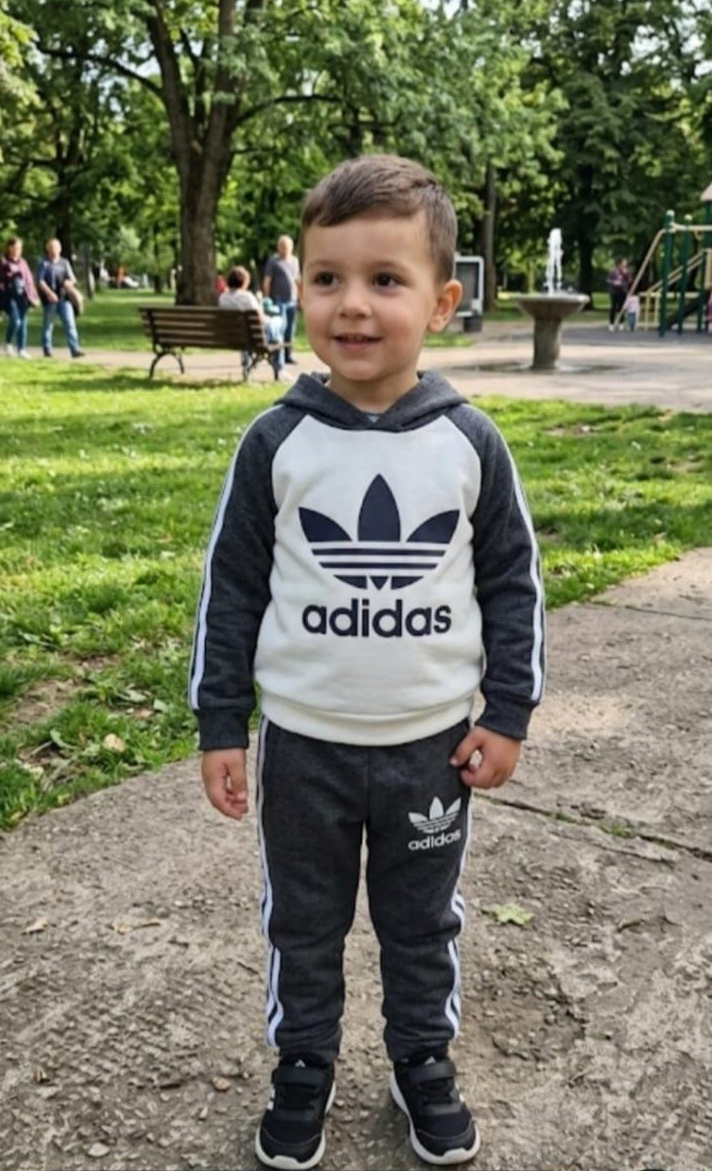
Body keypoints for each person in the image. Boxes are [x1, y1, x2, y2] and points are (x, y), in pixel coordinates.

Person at [190, 154, 545, 1170]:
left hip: (429, 749)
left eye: (384, 279)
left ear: (441, 302)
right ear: (297, 287)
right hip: (302, 749)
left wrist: (507, 712)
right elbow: (232, 590)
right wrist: (221, 723)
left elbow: (512, 585)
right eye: (326, 278)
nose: (351, 304)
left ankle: (420, 1057)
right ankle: (303, 1062)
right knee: (301, 925)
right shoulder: (277, 443)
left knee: (419, 923)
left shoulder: (469, 443)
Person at [218, 265, 286, 375]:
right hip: (256, 336)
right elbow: (260, 318)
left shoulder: (223, 297)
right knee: (279, 322)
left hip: (234, 335)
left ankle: (247, 362)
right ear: (244, 282)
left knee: (266, 329)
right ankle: (278, 366)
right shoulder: (247, 297)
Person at [36, 238, 85, 358]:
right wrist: (49, 293)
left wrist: (69, 282)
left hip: (64, 298)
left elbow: (73, 278)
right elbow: (40, 281)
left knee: (70, 324)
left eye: (56, 248)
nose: (54, 250)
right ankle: (47, 349)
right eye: (52, 248)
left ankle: (75, 349)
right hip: (50, 300)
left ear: (60, 249)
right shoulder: (44, 263)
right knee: (48, 325)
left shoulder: (64, 262)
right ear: (48, 249)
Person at [0, 236, 39, 358]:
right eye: (15, 248)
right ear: (9, 248)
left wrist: (33, 296)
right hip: (10, 297)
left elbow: (29, 280)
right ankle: (8, 343)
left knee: (23, 323)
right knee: (16, 321)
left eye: (19, 248)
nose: (17, 250)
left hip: (23, 296)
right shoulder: (3, 262)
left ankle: (22, 349)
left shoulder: (23, 262)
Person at [262, 234, 300, 364]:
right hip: (278, 300)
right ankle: (279, 356)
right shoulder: (273, 261)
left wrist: (300, 298)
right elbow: (267, 281)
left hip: (292, 300)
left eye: (286, 246)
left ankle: (288, 355)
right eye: (281, 246)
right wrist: (267, 298)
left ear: (291, 247)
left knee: (291, 328)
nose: (284, 248)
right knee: (281, 328)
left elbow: (297, 280)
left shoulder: (295, 261)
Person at [606, 257, 630, 331]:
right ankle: (611, 323)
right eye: (623, 263)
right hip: (614, 291)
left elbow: (628, 281)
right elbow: (608, 280)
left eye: (625, 264)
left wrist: (626, 275)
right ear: (619, 264)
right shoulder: (613, 271)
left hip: (623, 291)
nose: (625, 265)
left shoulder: (626, 272)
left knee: (622, 307)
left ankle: (621, 323)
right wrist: (614, 282)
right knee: (613, 307)